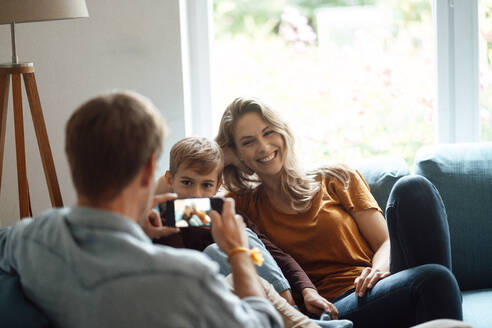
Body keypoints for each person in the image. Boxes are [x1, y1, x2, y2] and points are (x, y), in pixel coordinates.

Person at [0, 92, 282, 328]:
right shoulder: (186, 278)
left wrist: (135, 227)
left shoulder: (30, 236)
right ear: (150, 172)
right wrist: (238, 254)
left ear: (74, 165)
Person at [215, 97, 463, 328]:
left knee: (414, 188)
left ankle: (439, 303)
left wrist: (377, 270)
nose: (263, 146)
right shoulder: (241, 205)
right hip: (335, 308)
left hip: (382, 282)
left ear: (282, 132)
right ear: (237, 154)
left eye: (268, 132)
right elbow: (197, 201)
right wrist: (219, 157)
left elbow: (386, 241)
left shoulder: (336, 177)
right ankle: (442, 303)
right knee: (436, 281)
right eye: (248, 142)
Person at [151, 136, 353, 328]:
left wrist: (308, 290)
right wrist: (177, 222)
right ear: (170, 179)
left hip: (267, 298)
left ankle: (291, 311)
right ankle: (296, 320)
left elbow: (276, 254)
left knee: (241, 232)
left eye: (206, 185)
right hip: (219, 306)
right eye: (187, 183)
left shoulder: (230, 215)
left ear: (217, 186)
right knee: (214, 251)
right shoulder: (158, 225)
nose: (196, 193)